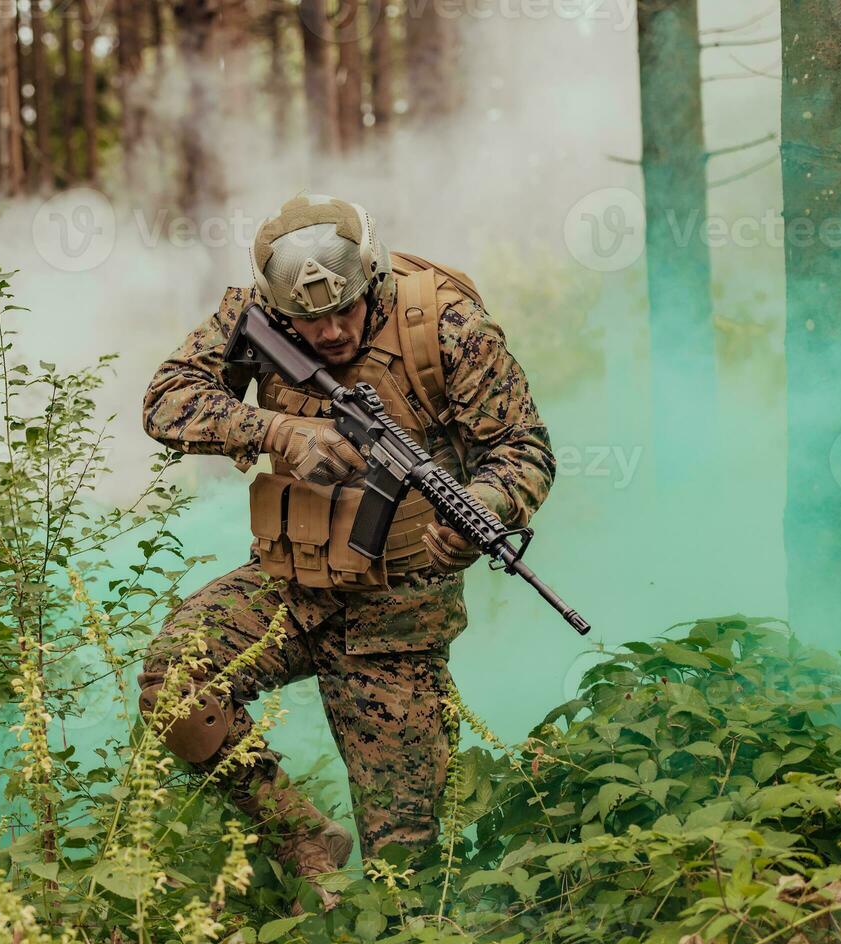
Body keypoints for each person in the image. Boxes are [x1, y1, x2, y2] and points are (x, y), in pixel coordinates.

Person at [137, 193, 557, 904]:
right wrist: (277, 432)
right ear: (278, 309)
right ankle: (299, 836)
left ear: (372, 279)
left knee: (408, 872)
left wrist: (482, 507)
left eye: (346, 310)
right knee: (175, 678)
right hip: (291, 584)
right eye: (309, 320)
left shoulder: (447, 326)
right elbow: (167, 400)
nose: (330, 332)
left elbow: (523, 450)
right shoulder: (254, 314)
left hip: (399, 613)